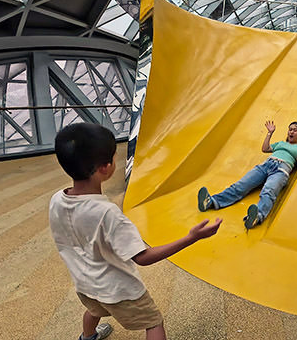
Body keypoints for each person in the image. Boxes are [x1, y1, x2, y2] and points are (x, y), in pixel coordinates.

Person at [50, 123, 222, 340]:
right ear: (105, 168)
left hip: (84, 283)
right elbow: (143, 257)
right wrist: (192, 237)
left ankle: (88, 337)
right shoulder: (107, 213)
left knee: (94, 310)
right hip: (119, 291)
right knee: (153, 322)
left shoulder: (57, 199)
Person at [198, 120, 297, 229]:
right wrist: (269, 133)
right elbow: (265, 149)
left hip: (281, 170)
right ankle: (212, 201)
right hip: (266, 165)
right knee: (241, 185)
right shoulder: (280, 143)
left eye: (295, 129)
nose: (291, 131)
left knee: (269, 191)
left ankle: (257, 216)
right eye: (290, 129)